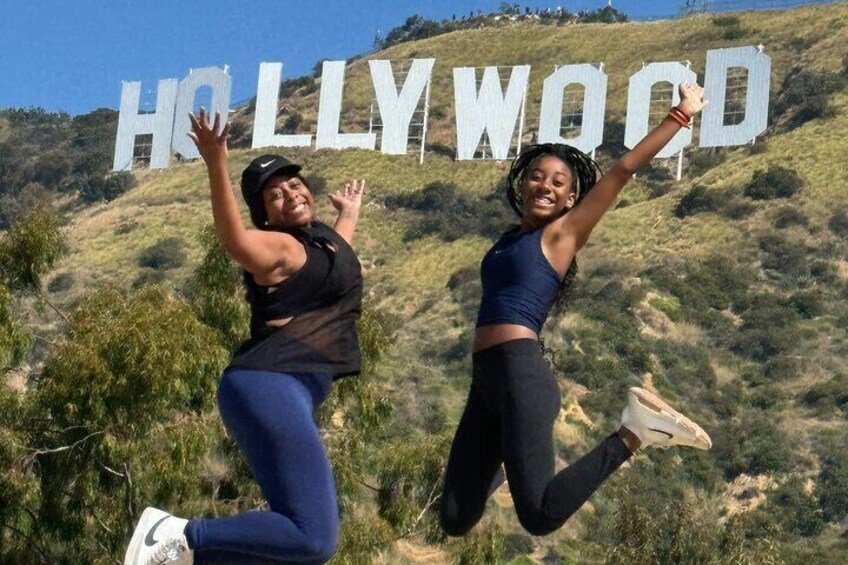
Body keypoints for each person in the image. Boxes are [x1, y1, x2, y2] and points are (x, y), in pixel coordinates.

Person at [440, 83, 713, 537]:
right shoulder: (509, 240)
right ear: (521, 183)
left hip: (521, 373)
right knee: (454, 518)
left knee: (541, 515)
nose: (544, 185)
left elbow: (622, 171)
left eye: (558, 182)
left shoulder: (560, 237)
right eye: (537, 176)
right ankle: (511, 455)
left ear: (571, 200)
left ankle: (633, 433)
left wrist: (680, 114)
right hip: (485, 378)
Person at [124, 108, 366, 565]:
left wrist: (349, 214)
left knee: (300, 548)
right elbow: (234, 240)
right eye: (274, 195)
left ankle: (183, 559)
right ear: (266, 216)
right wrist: (216, 162)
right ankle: (178, 534)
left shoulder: (322, 244)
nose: (290, 194)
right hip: (270, 383)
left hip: (281, 389)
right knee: (314, 537)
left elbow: (340, 257)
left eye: (294, 185)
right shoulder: (279, 248)